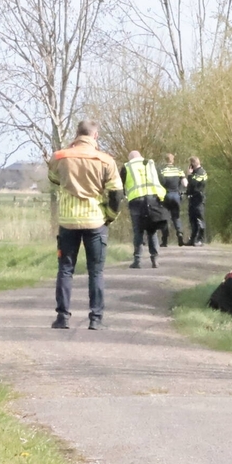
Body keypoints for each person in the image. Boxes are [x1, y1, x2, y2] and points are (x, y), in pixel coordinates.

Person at [47, 120, 123, 331]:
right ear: (95, 135)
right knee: (96, 272)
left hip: (68, 220)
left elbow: (53, 178)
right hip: (95, 220)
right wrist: (110, 215)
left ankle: (62, 318)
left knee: (65, 270)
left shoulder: (60, 157)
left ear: (77, 134)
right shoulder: (105, 160)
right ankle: (96, 319)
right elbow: (117, 193)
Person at [121, 150, 168, 268]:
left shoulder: (127, 166)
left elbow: (119, 185)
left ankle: (137, 260)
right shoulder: (151, 164)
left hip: (136, 201)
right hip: (153, 199)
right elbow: (163, 181)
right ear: (141, 156)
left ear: (130, 158)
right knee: (152, 230)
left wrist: (123, 197)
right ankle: (155, 259)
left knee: (138, 230)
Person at [158, 153, 188, 247]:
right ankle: (179, 234)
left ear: (165, 160)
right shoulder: (179, 170)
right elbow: (185, 184)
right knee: (176, 217)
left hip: (165, 196)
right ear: (173, 160)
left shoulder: (162, 171)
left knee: (165, 218)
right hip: (176, 196)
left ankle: (165, 240)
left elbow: (159, 184)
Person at [185, 156, 208, 246]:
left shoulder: (201, 172)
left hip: (199, 199)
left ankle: (200, 239)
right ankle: (193, 239)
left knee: (199, 219)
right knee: (192, 220)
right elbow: (190, 186)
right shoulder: (195, 172)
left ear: (193, 164)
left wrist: (189, 175)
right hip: (192, 199)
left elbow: (194, 184)